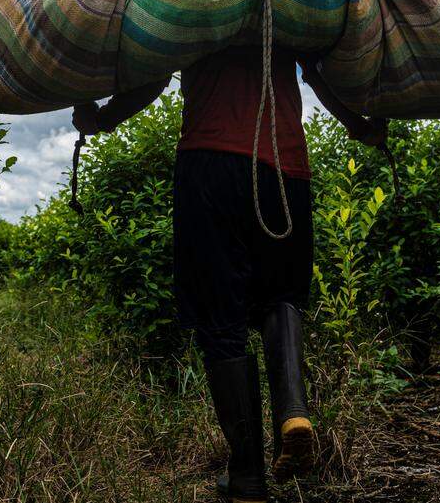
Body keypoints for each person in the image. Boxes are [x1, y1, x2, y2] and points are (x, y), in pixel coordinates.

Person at [72, 46, 386, 503]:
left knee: (221, 320)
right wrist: (359, 126)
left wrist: (103, 119)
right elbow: (317, 73)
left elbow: (156, 77)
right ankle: (294, 412)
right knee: (281, 295)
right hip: (287, 167)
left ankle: (247, 476)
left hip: (211, 162)